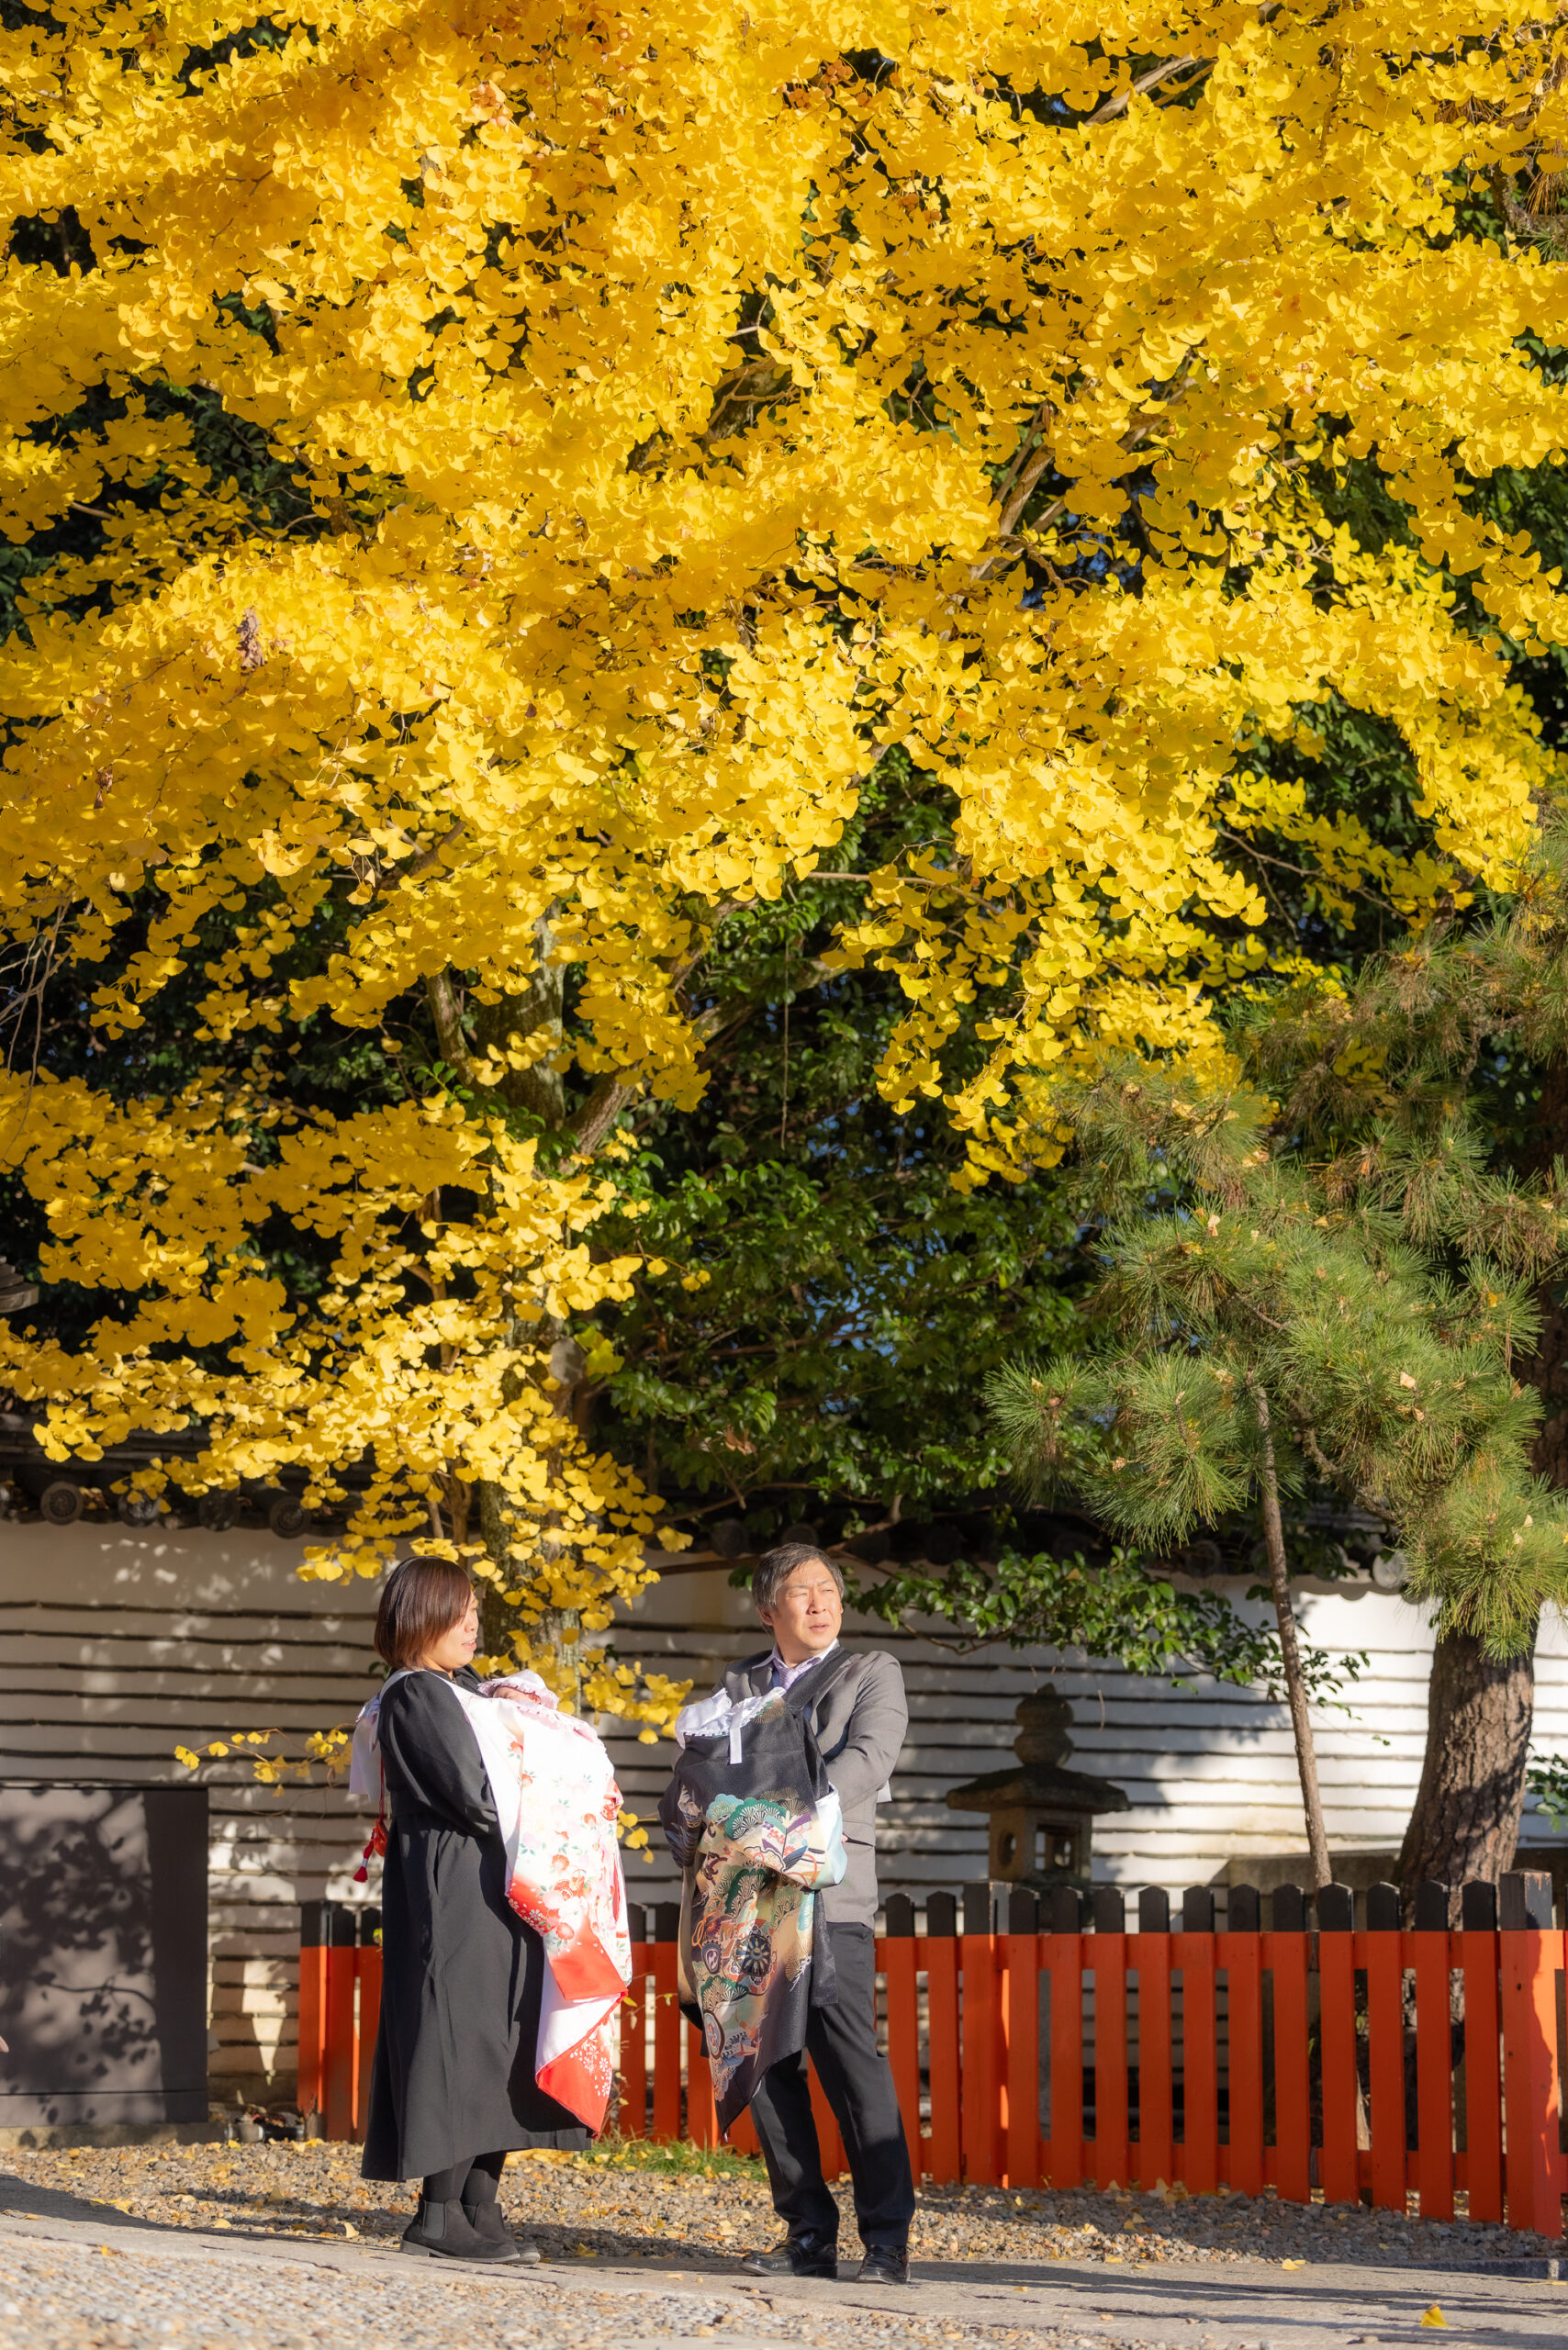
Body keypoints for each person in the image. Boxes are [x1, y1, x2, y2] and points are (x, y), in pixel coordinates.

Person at [356, 1558, 591, 2264]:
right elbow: (474, 1792)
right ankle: (436, 2212)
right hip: (453, 1886)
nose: (472, 1626)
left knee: (502, 2036)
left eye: (475, 1615)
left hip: (498, 1881)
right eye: (459, 1613)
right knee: (457, 2034)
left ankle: (478, 2203)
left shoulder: (464, 1691)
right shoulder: (416, 1695)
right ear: (418, 1615)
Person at [705, 1540, 916, 2288]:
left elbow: (870, 1760)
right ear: (770, 1609)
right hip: (747, 1900)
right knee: (765, 2069)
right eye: (803, 1592)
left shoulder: (870, 1672)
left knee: (850, 2066)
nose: (821, 1603)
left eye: (829, 1589)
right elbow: (708, 1764)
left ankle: (886, 2239)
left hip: (831, 1892)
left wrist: (780, 1813)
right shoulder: (739, 1682)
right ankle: (807, 2233)